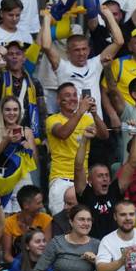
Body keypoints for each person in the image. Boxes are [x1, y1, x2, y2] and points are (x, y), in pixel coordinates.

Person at [41, 5, 125, 119]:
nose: (81, 53)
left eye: (84, 49)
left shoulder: (95, 64)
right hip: (71, 126)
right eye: (76, 50)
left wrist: (108, 15)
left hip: (95, 125)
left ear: (89, 50)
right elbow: (46, 46)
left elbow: (119, 42)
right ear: (68, 52)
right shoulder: (62, 67)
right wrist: (46, 19)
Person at [46, 82, 110, 215]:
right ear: (58, 100)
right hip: (60, 179)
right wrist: (81, 110)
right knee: (61, 221)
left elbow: (104, 135)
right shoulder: (52, 119)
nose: (73, 98)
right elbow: (63, 133)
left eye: (75, 95)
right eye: (67, 95)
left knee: (85, 220)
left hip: (83, 181)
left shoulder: (86, 119)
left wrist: (95, 114)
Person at [74, 127, 131, 240]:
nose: (105, 179)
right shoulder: (86, 194)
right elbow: (78, 167)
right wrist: (84, 140)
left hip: (116, 244)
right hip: (93, 246)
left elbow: (132, 163)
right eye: (100, 176)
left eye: (106, 175)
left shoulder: (114, 190)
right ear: (90, 180)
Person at [0, 95, 39, 213]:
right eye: (8, 109)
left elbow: (35, 161)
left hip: (22, 177)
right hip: (1, 176)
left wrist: (27, 146)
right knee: (3, 215)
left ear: (20, 112)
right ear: (2, 111)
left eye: (15, 109)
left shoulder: (27, 131)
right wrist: (6, 140)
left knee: (24, 214)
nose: (12, 113)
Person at [0, 41, 45, 140]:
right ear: (5, 58)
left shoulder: (34, 83)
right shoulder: (0, 79)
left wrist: (44, 137)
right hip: (2, 135)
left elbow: (41, 111)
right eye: (11, 54)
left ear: (24, 58)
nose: (14, 57)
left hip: (28, 135)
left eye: (18, 54)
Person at [2, 185, 51, 261]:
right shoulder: (8, 223)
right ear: (26, 205)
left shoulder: (46, 219)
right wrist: (21, 267)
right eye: (38, 203)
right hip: (17, 265)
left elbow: (47, 251)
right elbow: (7, 255)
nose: (42, 206)